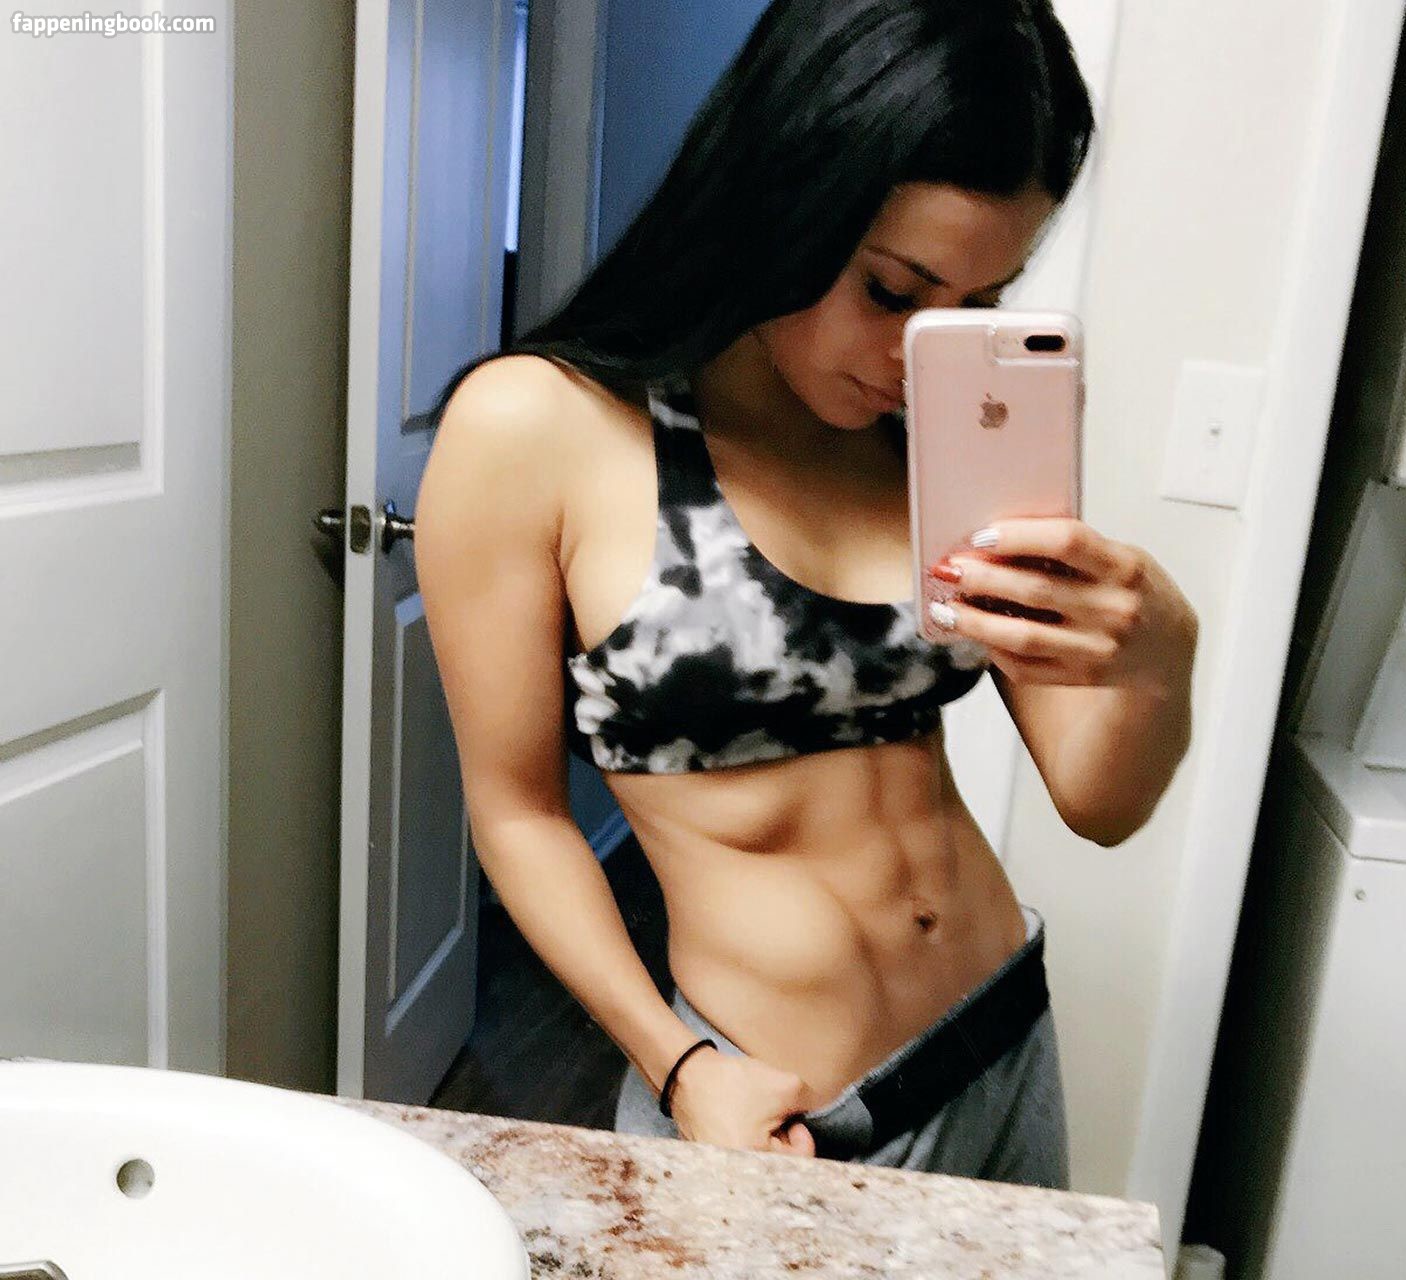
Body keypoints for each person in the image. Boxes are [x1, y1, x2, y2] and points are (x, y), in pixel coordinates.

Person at [414, 0, 1197, 1186]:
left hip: (1000, 1045)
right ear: (781, 198)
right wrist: (680, 1066)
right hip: (779, 1113)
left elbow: (1098, 801)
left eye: (977, 304)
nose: (915, 352)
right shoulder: (540, 427)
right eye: (891, 290)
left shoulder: (934, 441)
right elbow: (517, 812)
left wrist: (1161, 654)